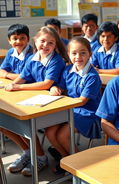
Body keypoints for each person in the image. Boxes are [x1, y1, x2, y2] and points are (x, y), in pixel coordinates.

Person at [3, 26, 68, 176]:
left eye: (50, 43)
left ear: (55, 46)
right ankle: (28, 152)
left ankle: (40, 157)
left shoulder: (56, 60)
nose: (45, 45)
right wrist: (11, 86)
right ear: (35, 41)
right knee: (5, 124)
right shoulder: (33, 57)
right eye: (42, 41)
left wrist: (18, 86)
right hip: (37, 101)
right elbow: (23, 76)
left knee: (24, 125)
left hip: (51, 105)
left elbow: (46, 84)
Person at [45, 37, 102, 174]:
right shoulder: (67, 70)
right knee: (50, 132)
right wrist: (55, 88)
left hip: (88, 115)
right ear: (68, 54)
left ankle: (80, 167)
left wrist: (65, 101)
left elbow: (82, 101)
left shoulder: (92, 76)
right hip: (70, 111)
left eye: (83, 53)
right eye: (74, 53)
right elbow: (61, 88)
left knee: (62, 136)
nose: (78, 57)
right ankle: (66, 160)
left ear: (90, 54)